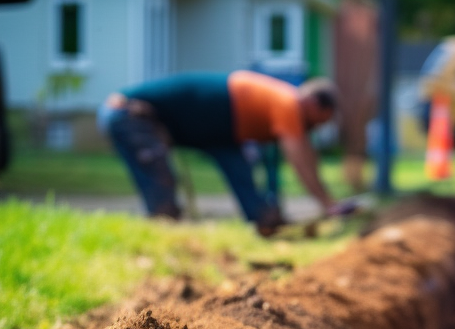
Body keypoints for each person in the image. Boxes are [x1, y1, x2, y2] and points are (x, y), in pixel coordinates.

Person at [98, 71, 339, 234]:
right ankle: (163, 237)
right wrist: (327, 203)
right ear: (313, 104)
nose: (314, 128)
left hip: (219, 132)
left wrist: (328, 201)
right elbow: (299, 158)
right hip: (130, 112)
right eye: (319, 122)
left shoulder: (276, 103)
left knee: (240, 168)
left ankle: (266, 222)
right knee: (160, 179)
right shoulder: (288, 103)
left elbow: (307, 154)